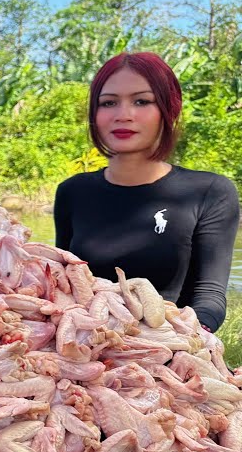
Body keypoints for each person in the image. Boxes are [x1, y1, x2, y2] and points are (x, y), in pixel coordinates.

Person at [54, 52, 238, 332]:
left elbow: (209, 293)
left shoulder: (210, 191)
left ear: (168, 110)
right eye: (108, 102)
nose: (123, 115)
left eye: (141, 101)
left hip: (168, 341)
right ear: (95, 114)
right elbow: (64, 282)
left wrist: (193, 337)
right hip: (90, 339)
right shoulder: (73, 191)